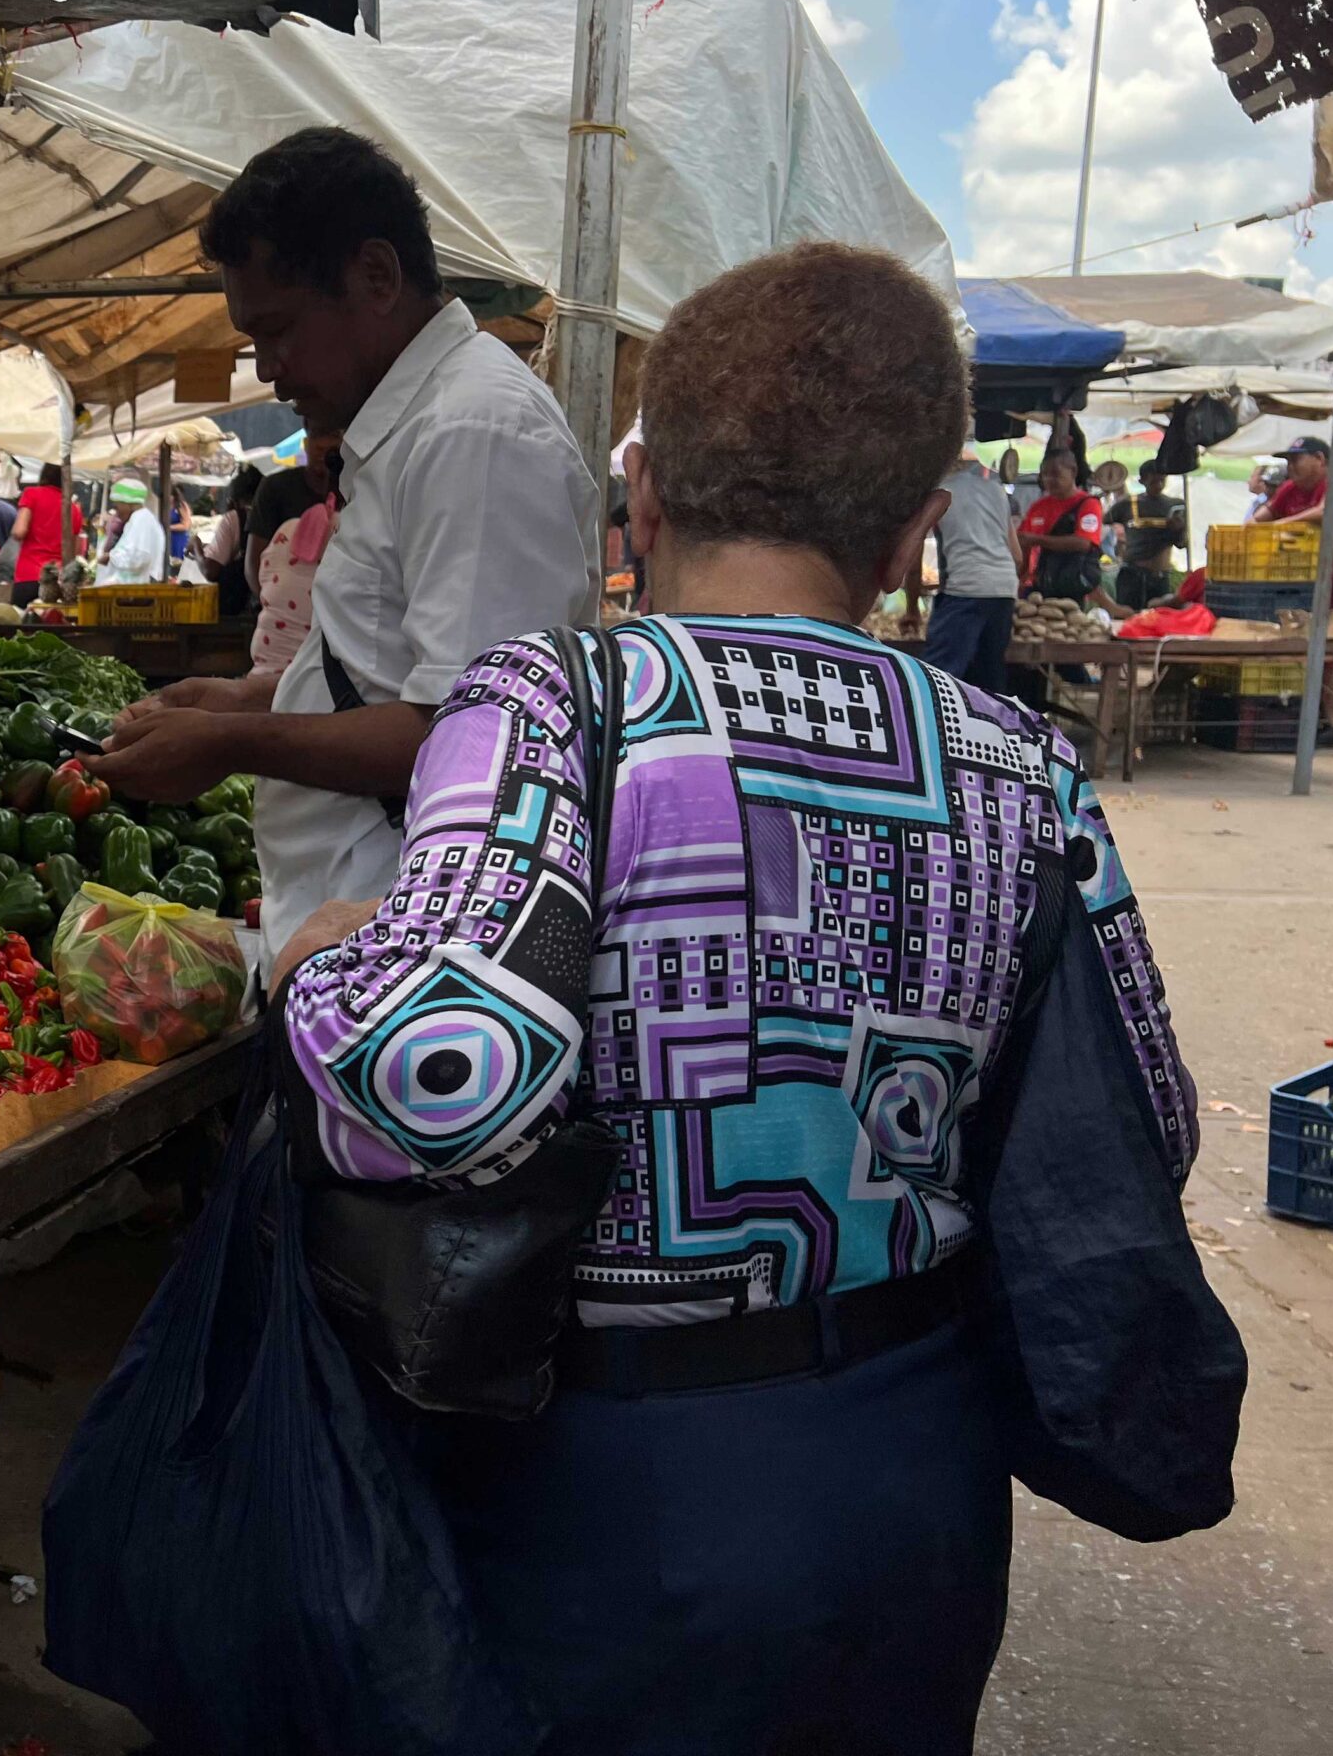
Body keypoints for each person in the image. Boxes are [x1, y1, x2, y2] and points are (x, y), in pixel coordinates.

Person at [277, 242, 1195, 1752]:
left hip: (603, 1484)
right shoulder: (1018, 765)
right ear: (913, 534)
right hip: (908, 1469)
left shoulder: (558, 703)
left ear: (640, 496)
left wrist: (327, 961)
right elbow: (1142, 1124)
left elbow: (434, 1081)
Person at [96, 127, 598, 953]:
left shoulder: (475, 433)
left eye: (280, 330)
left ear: (376, 275)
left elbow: (469, 737)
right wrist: (243, 698)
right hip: (352, 924)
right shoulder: (413, 426)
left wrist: (230, 741)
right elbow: (384, 671)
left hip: (408, 943)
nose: (267, 368)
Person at [906, 453, 1023, 692]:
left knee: (938, 678)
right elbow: (1017, 556)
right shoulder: (996, 490)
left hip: (965, 589)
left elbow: (913, 559)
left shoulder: (939, 494)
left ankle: (934, 727)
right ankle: (992, 727)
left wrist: (911, 609)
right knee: (989, 680)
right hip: (1004, 588)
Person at [248, 448, 338, 679]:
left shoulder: (287, 529)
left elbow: (258, 571)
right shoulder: (348, 534)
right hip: (308, 680)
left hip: (262, 667)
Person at [1016, 450, 1107, 605]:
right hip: (1040, 585)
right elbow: (1024, 543)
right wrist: (1020, 577)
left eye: (1055, 474)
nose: (1049, 479)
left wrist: (1037, 539)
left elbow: (1084, 543)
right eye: (1045, 474)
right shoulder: (1038, 507)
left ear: (1073, 471)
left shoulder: (1088, 504)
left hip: (1072, 586)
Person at [10, 462, 84, 609]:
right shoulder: (74, 509)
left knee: (22, 627)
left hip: (27, 576)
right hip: (57, 583)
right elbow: (75, 553)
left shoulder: (31, 494)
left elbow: (19, 531)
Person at [1114, 463, 1188, 612]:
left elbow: (1182, 543)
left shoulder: (1175, 506)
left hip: (1160, 575)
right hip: (1132, 574)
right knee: (1128, 617)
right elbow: (1104, 520)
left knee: (1158, 619)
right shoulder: (1128, 504)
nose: (1159, 485)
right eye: (1153, 481)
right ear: (1141, 481)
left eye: (1162, 480)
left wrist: (1178, 530)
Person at [199, 464, 262, 617]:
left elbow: (210, 570)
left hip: (236, 614)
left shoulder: (234, 518)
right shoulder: (273, 517)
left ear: (234, 499)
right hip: (267, 608)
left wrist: (195, 544)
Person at [94, 478, 166, 585]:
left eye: (117, 506)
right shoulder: (139, 519)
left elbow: (138, 557)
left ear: (128, 503)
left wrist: (110, 557)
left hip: (136, 590)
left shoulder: (141, 520)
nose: (117, 513)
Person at [1261, 435, 1328, 524]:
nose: (1290, 467)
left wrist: (1281, 524)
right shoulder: (1289, 487)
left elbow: (1325, 512)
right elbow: (1256, 520)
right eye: (1288, 461)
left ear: (1319, 458)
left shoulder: (1331, 483)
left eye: (1295, 460)